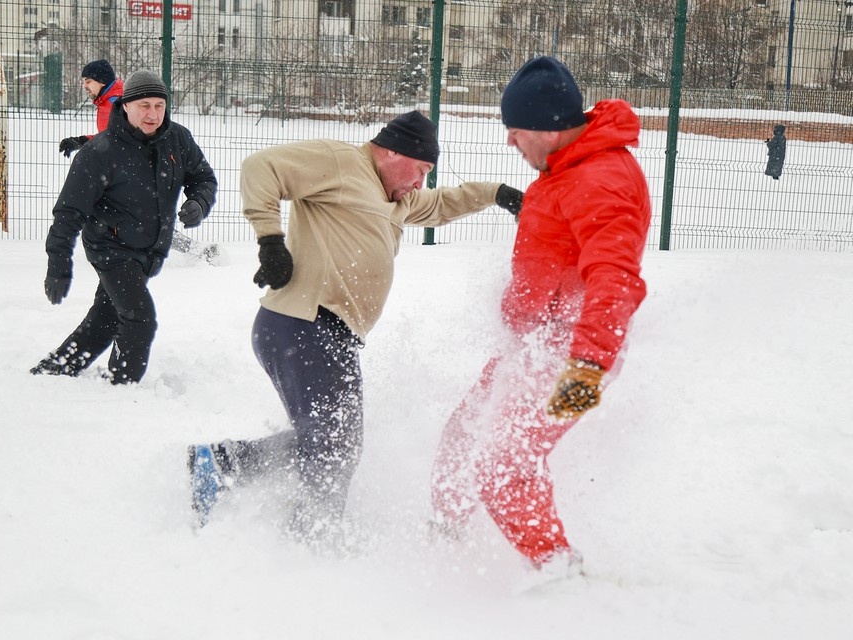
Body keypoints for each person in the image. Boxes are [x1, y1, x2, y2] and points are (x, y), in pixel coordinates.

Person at [188, 111, 525, 543]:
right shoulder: (341, 161)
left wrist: (498, 194)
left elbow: (443, 204)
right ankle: (313, 537)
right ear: (390, 151)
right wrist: (270, 240)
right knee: (334, 442)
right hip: (303, 321)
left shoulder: (397, 200)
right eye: (419, 170)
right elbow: (261, 167)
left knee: (331, 441)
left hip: (329, 333)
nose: (420, 182)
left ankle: (223, 464)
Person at [429, 56, 652, 583]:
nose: (511, 143)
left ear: (547, 127)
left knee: (502, 465)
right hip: (536, 344)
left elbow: (614, 278)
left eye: (515, 131)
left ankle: (559, 575)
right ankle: (445, 540)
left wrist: (587, 365)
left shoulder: (598, 179)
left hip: (575, 358)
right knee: (463, 434)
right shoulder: (566, 170)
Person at [31, 69, 218, 384]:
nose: (153, 114)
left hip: (150, 249)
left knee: (105, 318)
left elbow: (203, 178)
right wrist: (58, 266)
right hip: (111, 248)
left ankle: (55, 370)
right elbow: (68, 214)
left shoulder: (177, 139)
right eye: (144, 105)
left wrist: (198, 203)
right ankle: (122, 386)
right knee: (140, 318)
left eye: (159, 105)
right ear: (126, 105)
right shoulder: (99, 152)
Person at [58, 59, 124, 159]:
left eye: (88, 81)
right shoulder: (106, 101)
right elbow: (108, 137)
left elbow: (118, 142)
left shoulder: (116, 103)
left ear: (102, 81)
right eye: (84, 82)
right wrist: (80, 141)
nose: (84, 86)